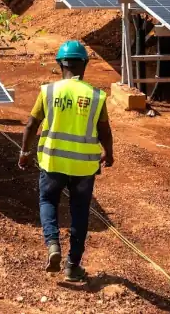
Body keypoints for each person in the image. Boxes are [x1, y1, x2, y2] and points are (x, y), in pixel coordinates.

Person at [18, 40, 113, 283]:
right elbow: (105, 130)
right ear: (85, 65)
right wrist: (109, 153)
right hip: (84, 167)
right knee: (80, 211)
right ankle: (73, 265)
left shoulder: (48, 92)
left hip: (53, 162)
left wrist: (25, 152)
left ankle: (53, 245)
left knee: (48, 200)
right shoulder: (96, 96)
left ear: (60, 64)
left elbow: (31, 124)